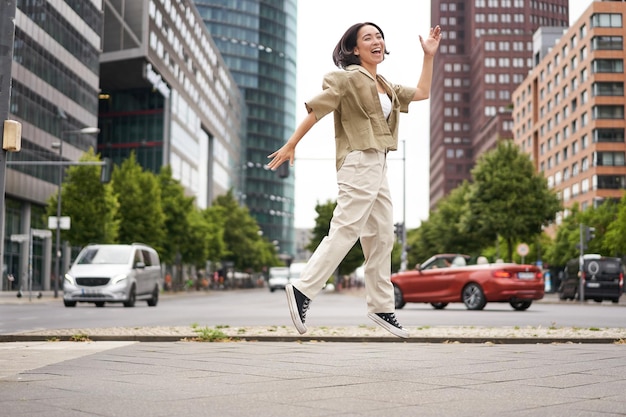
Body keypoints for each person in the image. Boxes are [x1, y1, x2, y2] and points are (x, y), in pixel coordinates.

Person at [266, 22, 441, 338]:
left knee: (382, 236)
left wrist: (428, 56)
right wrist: (292, 143)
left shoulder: (386, 86)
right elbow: (316, 110)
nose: (377, 41)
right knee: (347, 228)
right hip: (359, 160)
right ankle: (303, 289)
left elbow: (423, 92)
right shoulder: (346, 79)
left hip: (380, 164)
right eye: (368, 38)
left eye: (379, 36)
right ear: (355, 49)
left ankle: (381, 307)